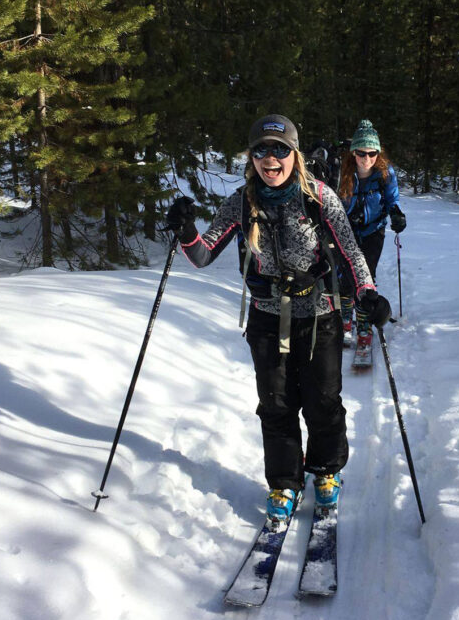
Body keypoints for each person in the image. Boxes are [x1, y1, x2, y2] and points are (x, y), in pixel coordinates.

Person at [166, 114, 392, 529]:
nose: (271, 158)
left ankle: (326, 471)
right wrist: (185, 232)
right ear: (251, 156)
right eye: (261, 150)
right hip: (267, 318)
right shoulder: (240, 202)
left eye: (280, 149)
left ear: (294, 154)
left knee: (323, 401)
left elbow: (350, 253)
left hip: (320, 314)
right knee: (276, 404)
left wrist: (368, 293)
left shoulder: (319, 197)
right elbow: (202, 254)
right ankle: (285, 482)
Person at [337, 119, 406, 349]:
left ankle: (364, 323)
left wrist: (396, 213)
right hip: (345, 232)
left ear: (378, 153)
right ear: (353, 152)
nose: (366, 158)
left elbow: (391, 198)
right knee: (345, 277)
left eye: (372, 153)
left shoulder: (385, 173)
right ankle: (346, 320)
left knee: (366, 279)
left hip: (372, 231)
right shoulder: (343, 172)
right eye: (361, 153)